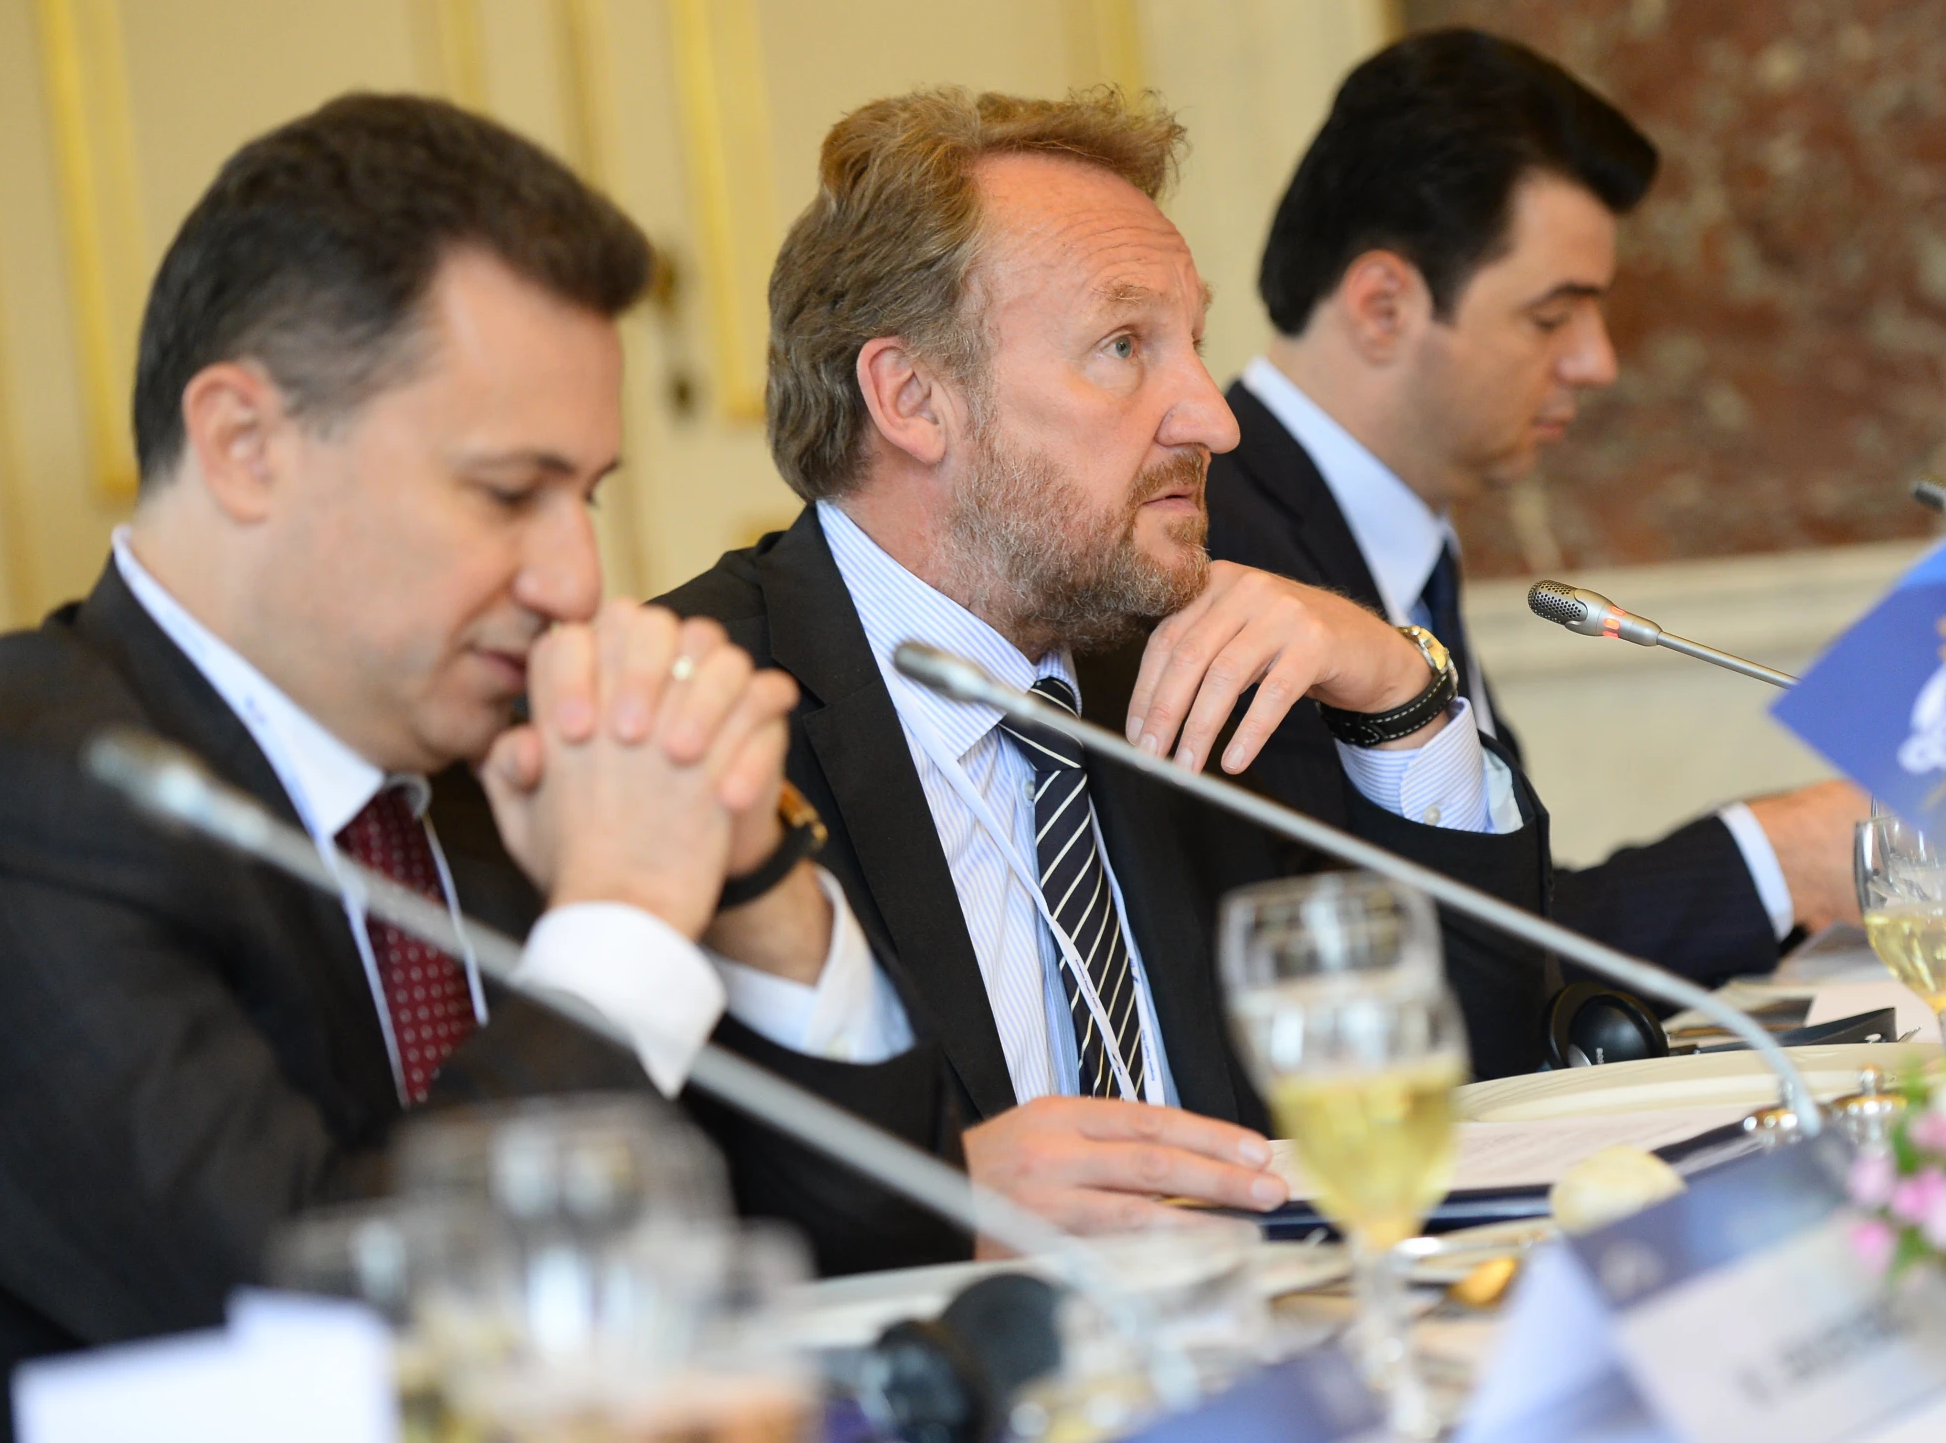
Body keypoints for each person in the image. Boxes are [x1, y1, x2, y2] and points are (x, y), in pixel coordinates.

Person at [0, 95, 960, 1439]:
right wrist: (616, 921)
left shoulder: (507, 757)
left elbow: (870, 1248)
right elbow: (334, 1346)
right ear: (245, 443)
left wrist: (746, 869)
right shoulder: (15, 802)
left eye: (586, 495)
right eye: (504, 494)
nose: (574, 578)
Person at [657, 86, 1558, 1233]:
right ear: (911, 398)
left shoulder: (1197, 666)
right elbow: (624, 1222)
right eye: (1125, 346)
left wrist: (1397, 695)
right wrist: (936, 1202)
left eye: (1195, 344)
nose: (1211, 420)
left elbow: (1472, 1079)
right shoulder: (694, 719)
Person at [1207, 29, 1864, 989]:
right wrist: (1776, 856)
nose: (1596, 363)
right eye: (1550, 317)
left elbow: (1498, 913)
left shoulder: (1396, 538)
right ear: (1383, 306)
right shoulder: (1221, 550)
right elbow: (1393, 964)